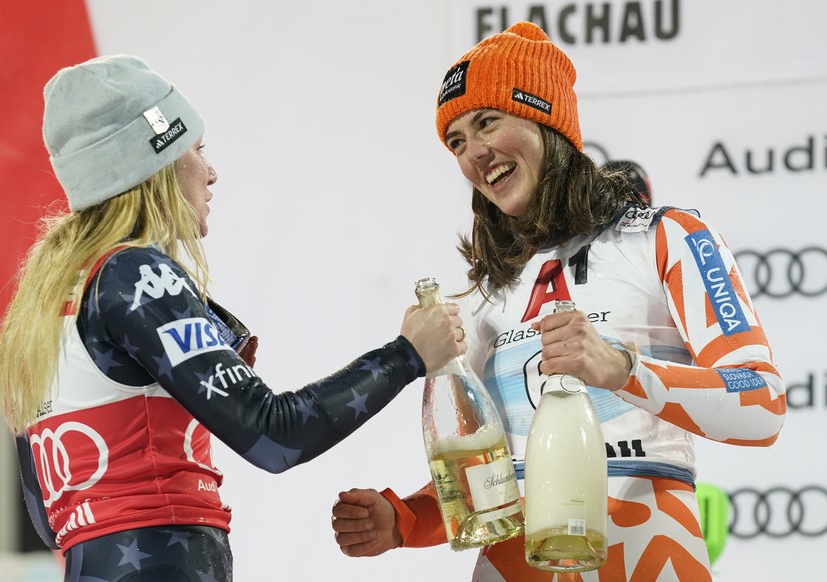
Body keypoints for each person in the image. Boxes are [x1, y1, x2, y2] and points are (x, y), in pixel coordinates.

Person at [329, 22, 786, 581]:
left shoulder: (667, 236)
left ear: (545, 118)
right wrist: (404, 520)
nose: (473, 152)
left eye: (486, 121)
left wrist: (624, 370)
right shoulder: (482, 294)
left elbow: (762, 403)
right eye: (456, 142)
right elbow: (491, 484)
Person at [0, 54, 467, 582]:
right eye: (196, 148)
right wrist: (407, 355)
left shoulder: (43, 305)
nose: (211, 172)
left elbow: (45, 513)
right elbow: (276, 434)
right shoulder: (135, 275)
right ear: (156, 165)